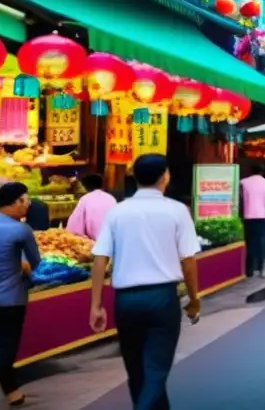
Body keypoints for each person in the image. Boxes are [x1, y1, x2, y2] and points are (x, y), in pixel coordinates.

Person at [89, 155, 202, 410]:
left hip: (126, 301)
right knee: (156, 369)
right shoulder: (177, 210)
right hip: (162, 299)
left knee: (137, 369)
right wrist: (194, 299)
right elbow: (188, 261)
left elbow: (100, 258)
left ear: (135, 177)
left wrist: (95, 305)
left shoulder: (117, 211)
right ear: (165, 176)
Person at [0, 182, 40, 407]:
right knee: (4, 349)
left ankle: (13, 393)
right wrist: (25, 269)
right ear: (17, 201)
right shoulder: (20, 229)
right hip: (10, 300)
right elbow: (36, 263)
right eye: (26, 200)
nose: (28, 204)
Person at [240, 164, 265, 278]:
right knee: (261, 242)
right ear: (262, 172)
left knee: (249, 243)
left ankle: (249, 269)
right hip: (261, 216)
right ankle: (260, 267)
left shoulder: (243, 182)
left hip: (248, 216)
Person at [67, 173, 117, 241]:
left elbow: (73, 226)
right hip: (113, 240)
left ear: (85, 186)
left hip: (94, 243)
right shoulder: (111, 198)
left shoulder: (85, 199)